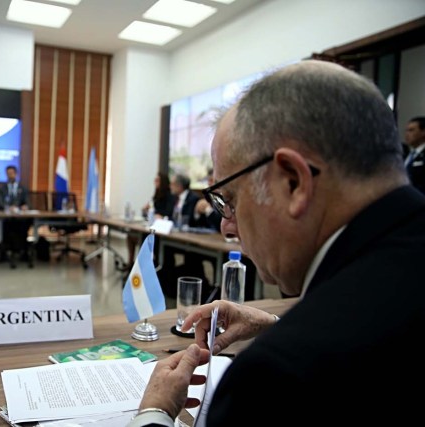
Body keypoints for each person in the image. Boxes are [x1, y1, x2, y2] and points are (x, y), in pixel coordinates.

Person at [129, 60, 425, 426]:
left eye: (229, 199)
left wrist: (154, 412)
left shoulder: (279, 376)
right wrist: (274, 323)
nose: (226, 226)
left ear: (294, 183)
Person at [125, 172, 174, 267]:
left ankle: (146, 264)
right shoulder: (156, 195)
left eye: (157, 180)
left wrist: (158, 215)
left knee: (144, 236)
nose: (155, 182)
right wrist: (145, 210)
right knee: (131, 234)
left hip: (161, 229)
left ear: (163, 182)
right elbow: (149, 212)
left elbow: (167, 213)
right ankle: (131, 264)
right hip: (152, 225)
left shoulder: (169, 196)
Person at [0, 165, 31, 265]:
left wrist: (25, 206)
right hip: (7, 218)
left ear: (16, 174)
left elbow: (28, 203)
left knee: (25, 226)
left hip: (21, 218)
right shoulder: (1, 189)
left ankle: (23, 251)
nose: (10, 176)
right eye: (8, 174)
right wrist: (7, 207)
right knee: (6, 227)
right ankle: (4, 251)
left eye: (12, 173)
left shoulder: (23, 188)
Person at [404, 116, 425, 193]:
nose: (407, 134)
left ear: (423, 132)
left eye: (411, 130)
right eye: (406, 131)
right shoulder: (405, 154)